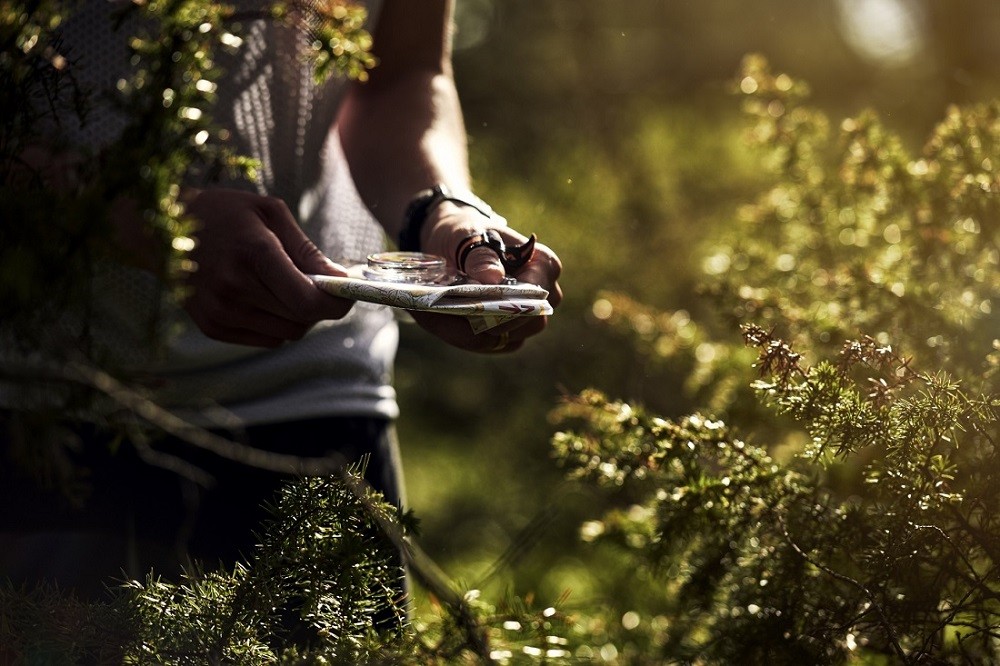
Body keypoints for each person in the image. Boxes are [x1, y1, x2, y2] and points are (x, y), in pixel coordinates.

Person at [0, 0, 562, 600]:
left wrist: (441, 214)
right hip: (45, 401)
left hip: (319, 398)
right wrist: (146, 221)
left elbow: (400, 73)